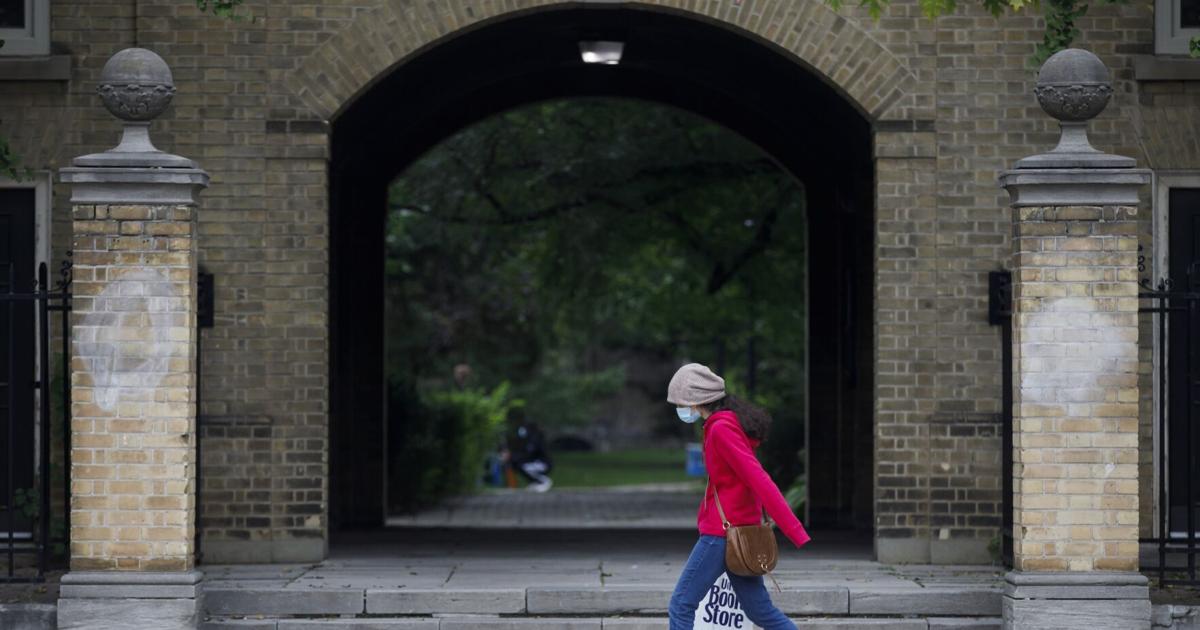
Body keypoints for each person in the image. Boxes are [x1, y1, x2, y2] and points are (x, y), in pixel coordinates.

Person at [666, 363, 810, 630]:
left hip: (721, 535)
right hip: (740, 533)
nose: (681, 410)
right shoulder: (723, 425)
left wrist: (794, 529)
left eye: (681, 403)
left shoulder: (721, 429)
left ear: (696, 401)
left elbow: (758, 478)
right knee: (762, 613)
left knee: (681, 605)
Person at [509, 419, 553, 492]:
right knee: (518, 465)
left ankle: (543, 481)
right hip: (537, 462)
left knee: (522, 466)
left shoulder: (536, 438)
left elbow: (528, 453)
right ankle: (534, 482)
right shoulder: (529, 439)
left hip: (543, 463)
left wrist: (514, 457)